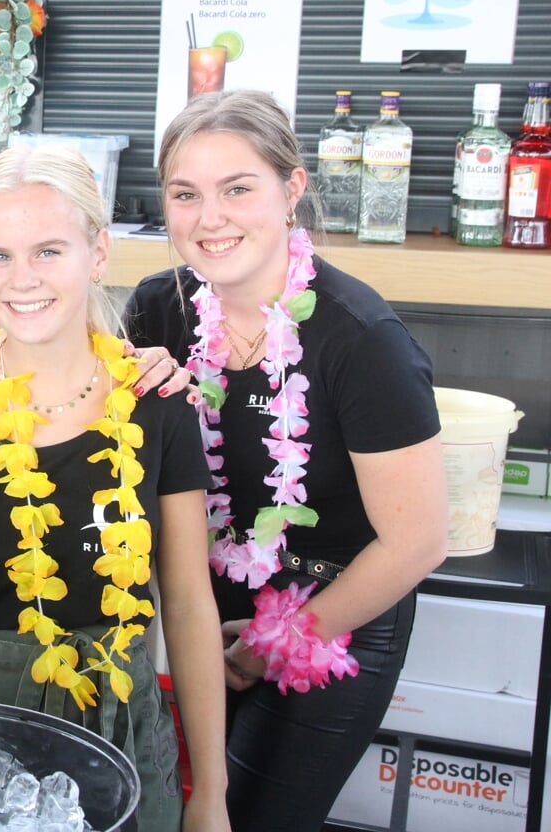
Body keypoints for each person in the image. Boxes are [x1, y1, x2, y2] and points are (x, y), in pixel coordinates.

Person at [0, 143, 231, 832]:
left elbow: (186, 604)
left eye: (49, 251)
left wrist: (209, 793)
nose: (22, 279)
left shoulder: (158, 404)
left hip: (121, 736)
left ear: (98, 253)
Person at [123, 90, 448, 832]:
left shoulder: (363, 339)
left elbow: (417, 541)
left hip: (336, 615)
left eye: (237, 189)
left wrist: (279, 643)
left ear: (292, 187)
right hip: (199, 609)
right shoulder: (158, 309)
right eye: (185, 194)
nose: (210, 218)